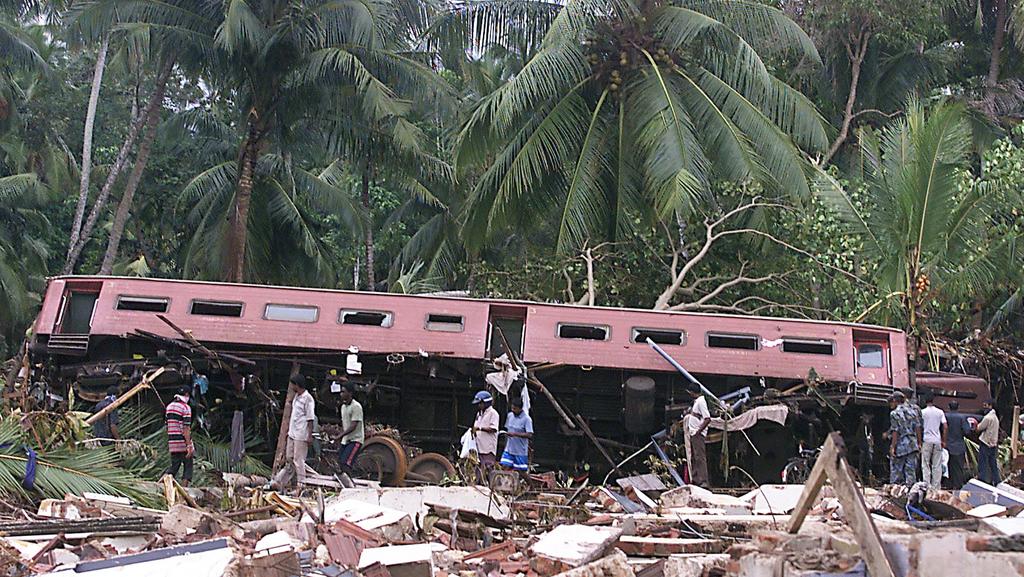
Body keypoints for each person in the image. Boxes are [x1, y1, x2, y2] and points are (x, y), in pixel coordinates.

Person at [272, 374, 316, 490]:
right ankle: (282, 482)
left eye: (292, 384)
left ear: (297, 385)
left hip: (301, 434)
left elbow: (310, 418)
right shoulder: (297, 396)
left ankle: (301, 485)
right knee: (290, 458)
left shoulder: (308, 398)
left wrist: (310, 435)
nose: (291, 386)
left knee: (298, 460)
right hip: (293, 433)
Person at [888, 391, 922, 486]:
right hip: (912, 443)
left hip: (901, 444)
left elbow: (895, 431)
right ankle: (911, 491)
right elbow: (918, 427)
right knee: (911, 470)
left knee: (896, 470)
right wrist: (919, 443)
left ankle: (895, 491)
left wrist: (893, 446)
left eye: (891, 401)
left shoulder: (894, 413)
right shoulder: (913, 411)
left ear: (895, 401)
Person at [164, 385, 194, 485]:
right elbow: (186, 428)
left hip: (172, 441)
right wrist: (189, 445)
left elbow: (167, 425)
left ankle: (161, 484)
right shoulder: (186, 408)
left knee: (174, 466)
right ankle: (184, 490)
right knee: (188, 466)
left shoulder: (169, 407)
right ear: (187, 394)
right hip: (182, 442)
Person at [337, 382, 364, 488]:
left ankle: (351, 487)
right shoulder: (343, 407)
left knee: (346, 463)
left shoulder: (356, 407)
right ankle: (345, 484)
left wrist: (339, 436)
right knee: (340, 462)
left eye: (343, 392)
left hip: (355, 439)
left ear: (350, 393)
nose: (341, 394)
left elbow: (353, 425)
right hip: (346, 439)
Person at [500, 396, 533, 475]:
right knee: (504, 466)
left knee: (521, 471)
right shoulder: (510, 416)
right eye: (512, 408)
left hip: (520, 450)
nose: (513, 410)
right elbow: (508, 429)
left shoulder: (527, 419)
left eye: (515, 409)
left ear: (520, 408)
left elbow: (530, 434)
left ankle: (531, 486)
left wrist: (515, 434)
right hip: (509, 448)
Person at [472, 390, 500, 483]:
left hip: (488, 447)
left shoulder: (493, 414)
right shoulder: (479, 414)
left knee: (489, 468)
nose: (479, 406)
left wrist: (479, 428)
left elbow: (493, 428)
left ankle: (492, 487)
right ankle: (479, 485)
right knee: (478, 468)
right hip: (479, 446)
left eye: (480, 404)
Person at [920, 394, 947, 489]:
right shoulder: (940, 412)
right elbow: (945, 426)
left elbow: (919, 427)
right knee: (937, 464)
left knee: (925, 464)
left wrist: (919, 442)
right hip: (937, 440)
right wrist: (944, 440)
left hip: (926, 440)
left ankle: (926, 485)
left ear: (925, 401)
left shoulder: (922, 412)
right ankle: (936, 487)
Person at [686, 389, 712, 487]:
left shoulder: (701, 402)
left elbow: (707, 418)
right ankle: (696, 479)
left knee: (699, 457)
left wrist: (698, 431)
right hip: (693, 433)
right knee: (694, 457)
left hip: (698, 434)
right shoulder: (697, 402)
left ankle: (703, 481)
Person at [944, 401, 973, 488]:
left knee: (948, 467)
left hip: (947, 446)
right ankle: (958, 485)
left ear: (949, 407)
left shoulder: (945, 416)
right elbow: (967, 431)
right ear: (958, 407)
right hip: (959, 446)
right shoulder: (962, 417)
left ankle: (948, 485)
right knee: (959, 468)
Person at [976, 399, 1001, 485]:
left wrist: (975, 424)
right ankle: (997, 481)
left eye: (985, 405)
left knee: (983, 464)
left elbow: (979, 428)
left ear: (990, 406)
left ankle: (981, 481)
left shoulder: (988, 418)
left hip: (986, 443)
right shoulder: (995, 417)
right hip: (993, 443)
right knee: (993, 464)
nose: (984, 408)